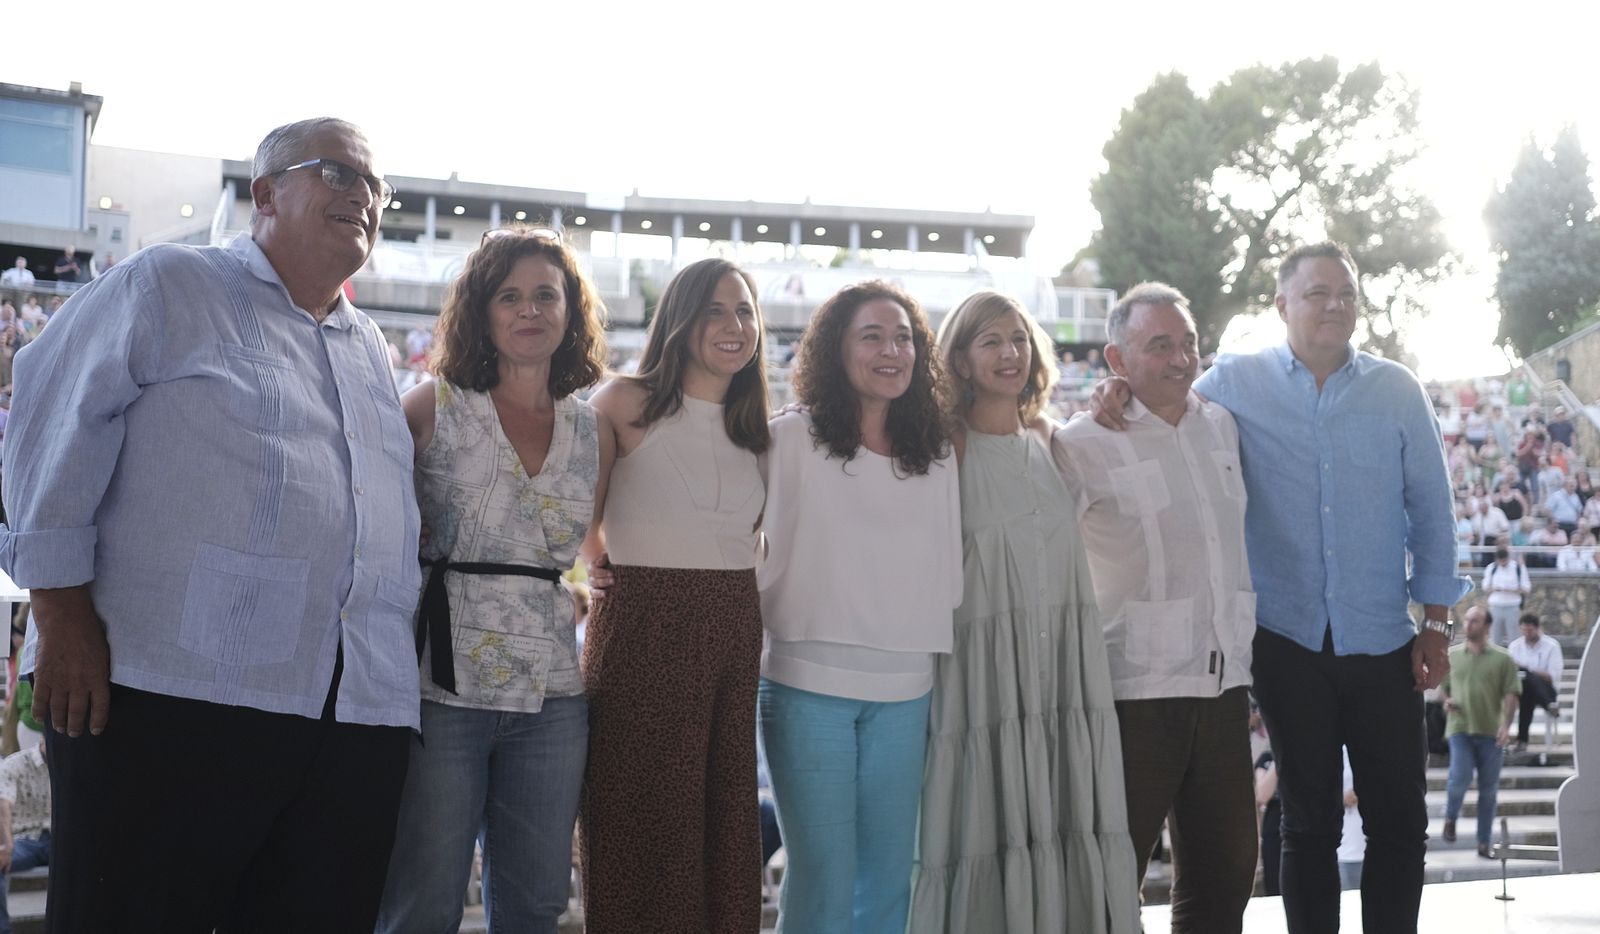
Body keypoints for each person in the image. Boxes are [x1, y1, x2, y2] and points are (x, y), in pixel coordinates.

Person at [0, 117, 421, 933]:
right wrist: (58, 609)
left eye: (375, 186)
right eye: (336, 173)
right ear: (264, 193)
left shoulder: (369, 345)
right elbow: (48, 416)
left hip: (351, 714)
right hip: (169, 698)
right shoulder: (170, 285)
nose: (363, 196)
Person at [1091, 241, 1466, 934]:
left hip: (1383, 636)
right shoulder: (1234, 380)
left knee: (1400, 820)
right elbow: (1163, 394)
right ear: (1282, 303)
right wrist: (1118, 387)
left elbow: (1433, 513)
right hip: (1287, 640)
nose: (1334, 305)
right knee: (1306, 818)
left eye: (1346, 293)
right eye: (1318, 292)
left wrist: (1437, 625)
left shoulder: (1398, 390)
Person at [375, 227, 611, 934]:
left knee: (537, 903)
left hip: (553, 698)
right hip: (439, 688)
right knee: (424, 899)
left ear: (571, 311)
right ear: (481, 310)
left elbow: (591, 552)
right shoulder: (431, 405)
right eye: (510, 296)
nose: (529, 309)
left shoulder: (592, 430)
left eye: (547, 294)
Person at [913, 290, 1138, 933]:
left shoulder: (1048, 438)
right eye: (990, 341)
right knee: (987, 819)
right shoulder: (946, 447)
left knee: (1066, 813)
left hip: (1061, 667)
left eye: (1016, 338)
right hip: (982, 674)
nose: (1009, 352)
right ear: (958, 359)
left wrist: (1112, 396)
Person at [758, 281, 960, 934]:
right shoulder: (789, 438)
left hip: (907, 689)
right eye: (871, 335)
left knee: (889, 873)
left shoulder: (937, 454)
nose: (891, 349)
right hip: (805, 684)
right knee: (822, 873)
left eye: (903, 336)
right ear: (834, 350)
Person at [1054, 283, 1255, 933]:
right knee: (1112, 878)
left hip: (1225, 685)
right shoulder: (1081, 441)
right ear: (1117, 358)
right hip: (1131, 694)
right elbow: (1045, 559)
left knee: (1226, 875)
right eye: (1159, 344)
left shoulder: (1223, 423)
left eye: (1189, 342)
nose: (1180, 358)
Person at [578, 257, 769, 934]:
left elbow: (757, 538)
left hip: (733, 628)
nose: (733, 325)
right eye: (715, 310)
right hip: (643, 624)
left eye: (744, 310)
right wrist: (600, 565)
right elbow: (581, 519)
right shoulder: (622, 401)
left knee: (721, 815)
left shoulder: (759, 424)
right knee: (638, 813)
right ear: (681, 319)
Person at [1439, 606, 1520, 858]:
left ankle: (1483, 842)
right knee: (1459, 776)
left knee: (1488, 789)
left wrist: (1506, 726)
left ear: (1487, 627)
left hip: (1490, 731)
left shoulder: (1503, 659)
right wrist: (1447, 700)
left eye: (1475, 621)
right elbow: (1443, 685)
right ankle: (1451, 817)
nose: (1469, 625)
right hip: (1460, 727)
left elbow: (1511, 694)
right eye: (1468, 621)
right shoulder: (1453, 656)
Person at [0, 744, 49, 934]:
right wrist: (5, 845)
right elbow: (4, 803)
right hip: (25, 838)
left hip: (59, 840)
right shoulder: (16, 764)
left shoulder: (71, 762)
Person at [1507, 613, 1563, 751]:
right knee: (1526, 684)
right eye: (1524, 630)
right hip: (1521, 688)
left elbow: (1552, 675)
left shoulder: (1551, 646)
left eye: (1530, 630)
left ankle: (1522, 740)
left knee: (1527, 679)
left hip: (1547, 689)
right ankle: (1548, 705)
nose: (1527, 633)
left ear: (1537, 628)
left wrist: (1528, 671)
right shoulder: (1515, 646)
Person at [1481, 546, 1531, 645]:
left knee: (1514, 637)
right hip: (1496, 606)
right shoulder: (1492, 568)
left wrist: (1513, 590)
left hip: (1512, 606)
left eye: (1505, 561)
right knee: (1495, 637)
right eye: (1501, 561)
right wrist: (1496, 588)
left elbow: (1527, 588)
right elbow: (1485, 587)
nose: (1503, 563)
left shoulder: (1518, 568)